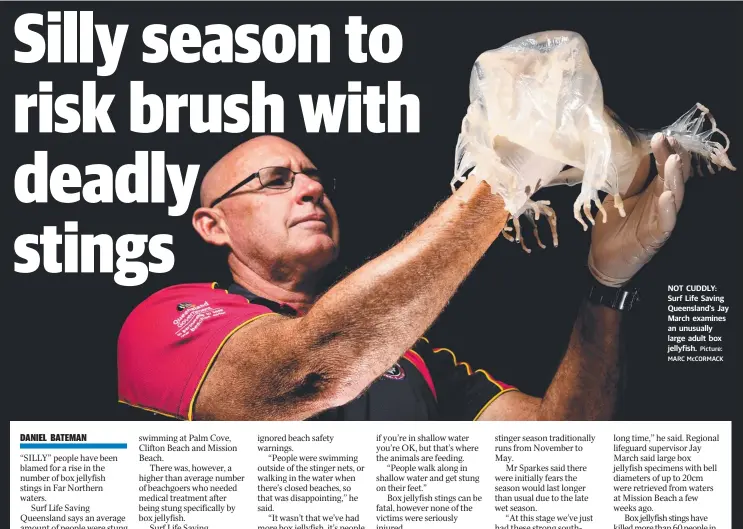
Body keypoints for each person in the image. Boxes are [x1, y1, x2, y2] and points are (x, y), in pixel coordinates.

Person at [117, 133, 690, 421]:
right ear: (212, 225)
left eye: (313, 177)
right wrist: (503, 182)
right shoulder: (167, 318)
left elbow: (560, 454)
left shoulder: (412, 358)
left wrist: (606, 286)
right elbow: (305, 371)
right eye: (274, 180)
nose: (311, 188)